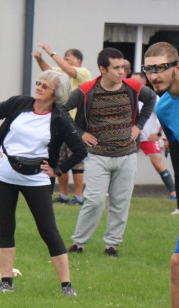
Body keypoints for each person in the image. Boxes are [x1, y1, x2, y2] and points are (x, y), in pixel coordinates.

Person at [0, 70, 87, 295]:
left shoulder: (60, 118)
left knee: (48, 229)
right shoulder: (18, 103)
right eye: (39, 82)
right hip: (3, 174)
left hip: (37, 179)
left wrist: (58, 170)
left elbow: (80, 150)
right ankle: (6, 282)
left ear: (56, 94)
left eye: (45, 86)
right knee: (5, 227)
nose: (39, 87)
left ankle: (67, 286)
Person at [67, 48, 156, 257]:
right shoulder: (86, 90)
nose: (122, 72)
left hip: (127, 155)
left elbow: (152, 99)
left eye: (123, 67)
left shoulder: (133, 86)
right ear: (102, 69)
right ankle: (78, 243)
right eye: (116, 68)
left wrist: (139, 126)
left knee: (121, 202)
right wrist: (80, 133)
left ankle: (112, 246)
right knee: (94, 200)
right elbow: (61, 110)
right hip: (98, 156)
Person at [142, 42, 179, 308]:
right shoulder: (163, 108)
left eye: (160, 68)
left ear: (178, 67)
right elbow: (178, 154)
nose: (154, 75)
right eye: (149, 69)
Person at [33, 44, 91, 205]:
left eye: (68, 59)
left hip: (76, 125)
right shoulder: (62, 73)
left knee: (76, 161)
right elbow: (49, 72)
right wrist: (39, 59)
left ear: (78, 61)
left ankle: (78, 196)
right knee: (60, 160)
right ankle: (63, 195)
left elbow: (68, 69)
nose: (64, 62)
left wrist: (51, 52)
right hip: (60, 122)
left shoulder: (83, 73)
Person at [132, 71, 177, 199]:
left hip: (148, 137)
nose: (133, 83)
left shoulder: (152, 97)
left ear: (144, 82)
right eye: (131, 80)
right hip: (131, 137)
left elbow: (165, 116)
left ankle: (173, 192)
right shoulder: (128, 95)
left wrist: (158, 134)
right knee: (125, 165)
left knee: (158, 165)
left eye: (136, 80)